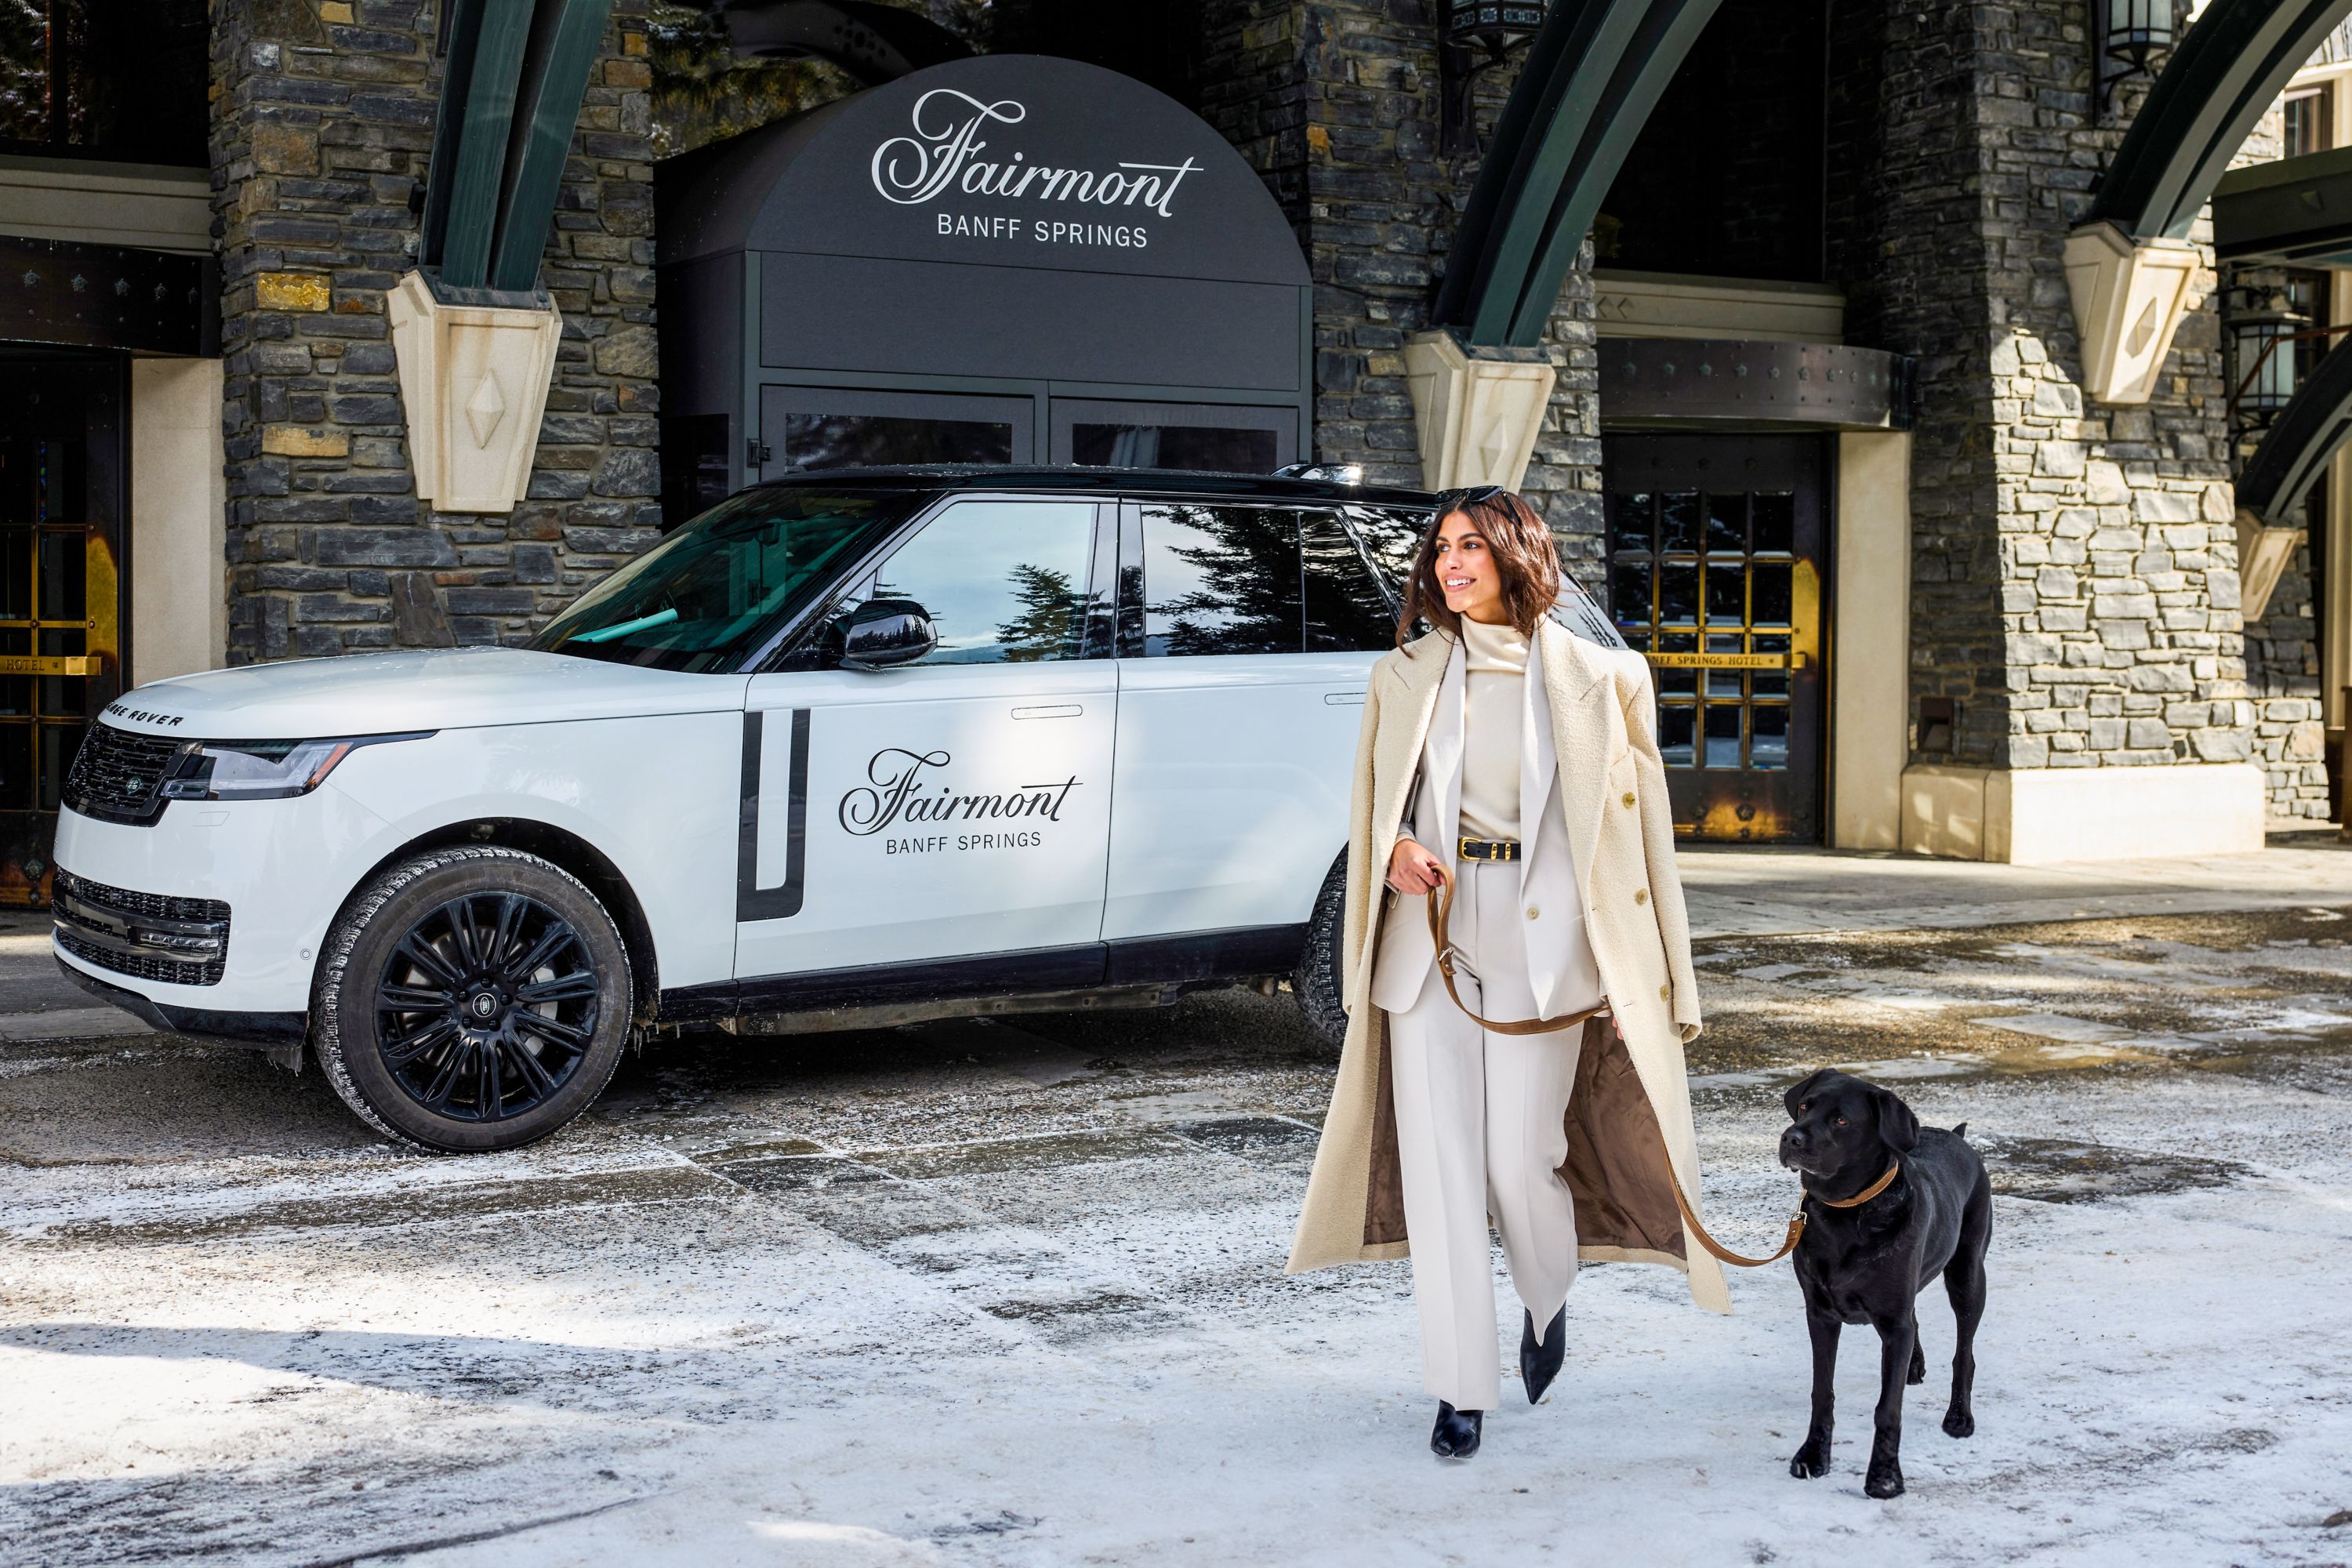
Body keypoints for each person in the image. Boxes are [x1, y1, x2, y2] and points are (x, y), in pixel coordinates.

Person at [1287, 485, 1728, 1460]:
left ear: (1517, 554)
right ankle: (1459, 1388)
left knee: (1520, 1159)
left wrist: (1655, 981)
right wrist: (1394, 850)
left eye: (1471, 546)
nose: (1450, 563)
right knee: (1441, 1167)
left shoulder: (1606, 677)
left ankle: (1546, 1289)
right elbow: (1374, 808)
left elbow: (1645, 845)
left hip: (1552, 941)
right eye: (1441, 547)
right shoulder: (1403, 674)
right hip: (1431, 938)